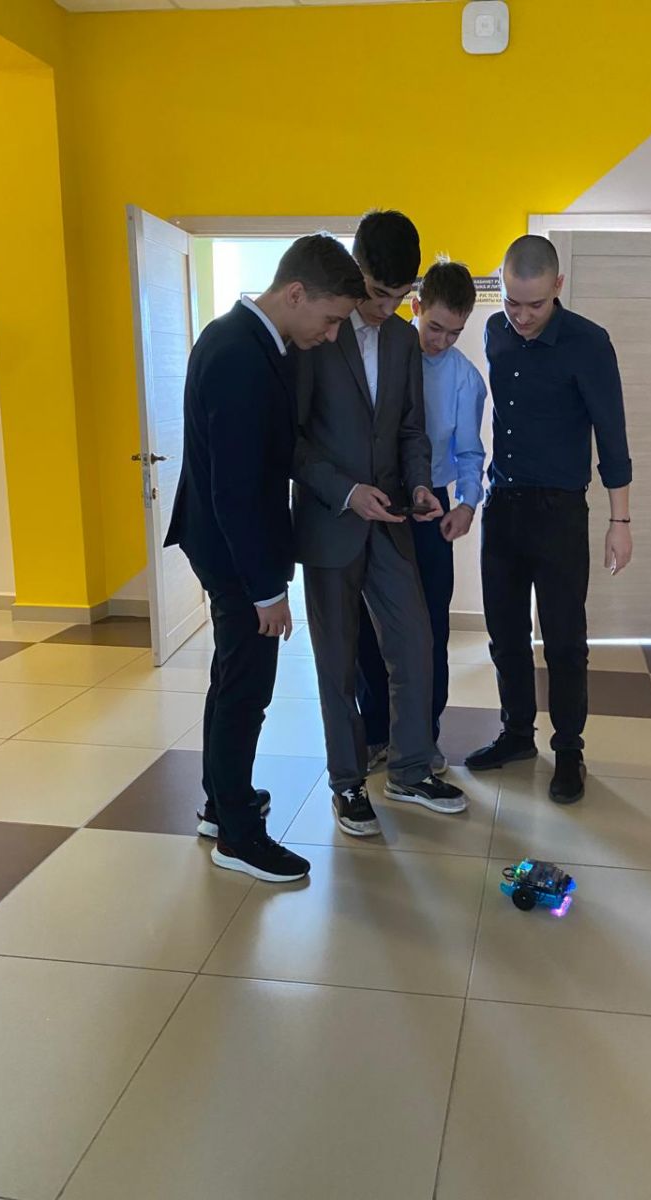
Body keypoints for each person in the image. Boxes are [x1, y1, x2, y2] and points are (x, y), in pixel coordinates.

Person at [165, 234, 366, 881]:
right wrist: (265, 591)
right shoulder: (239, 355)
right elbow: (236, 488)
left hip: (226, 542)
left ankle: (221, 804)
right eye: (330, 319)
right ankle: (239, 837)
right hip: (233, 553)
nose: (331, 336)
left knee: (231, 679)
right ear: (295, 293)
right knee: (246, 692)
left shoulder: (249, 340)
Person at [292, 211, 469, 838]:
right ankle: (346, 783)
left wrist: (419, 485)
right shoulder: (317, 332)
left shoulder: (400, 341)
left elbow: (411, 429)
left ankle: (410, 769)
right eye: (375, 292)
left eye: (398, 296)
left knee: (415, 642)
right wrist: (345, 492)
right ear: (355, 268)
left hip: (393, 519)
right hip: (330, 522)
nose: (384, 307)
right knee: (338, 660)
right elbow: (292, 440)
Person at [465, 235, 633, 803]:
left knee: (563, 639)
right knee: (505, 633)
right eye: (512, 302)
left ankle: (568, 751)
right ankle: (516, 734)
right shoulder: (495, 332)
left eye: (534, 304)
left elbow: (612, 437)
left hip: (559, 512)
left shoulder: (589, 343)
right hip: (503, 507)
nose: (521, 316)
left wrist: (620, 522)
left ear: (558, 287)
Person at [356, 260, 487, 774]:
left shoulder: (465, 379)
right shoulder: (380, 352)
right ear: (415, 307)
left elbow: (470, 453)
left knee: (431, 628)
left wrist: (467, 504)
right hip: (374, 502)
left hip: (431, 506)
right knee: (369, 628)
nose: (442, 341)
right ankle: (374, 733)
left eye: (455, 332)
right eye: (435, 327)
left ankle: (425, 736)